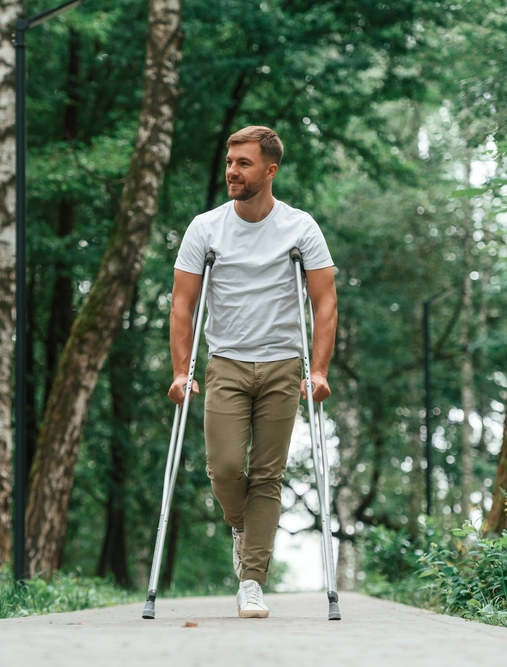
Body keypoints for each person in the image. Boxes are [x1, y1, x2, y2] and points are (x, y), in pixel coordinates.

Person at [169, 126, 337, 618]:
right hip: (226, 363)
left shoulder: (301, 228)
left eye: (243, 163)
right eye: (229, 162)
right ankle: (244, 528)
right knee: (223, 467)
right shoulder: (206, 228)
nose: (231, 172)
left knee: (267, 475)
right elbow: (183, 303)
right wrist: (182, 370)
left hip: (285, 364)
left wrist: (319, 370)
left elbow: (324, 303)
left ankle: (252, 581)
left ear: (270, 170)